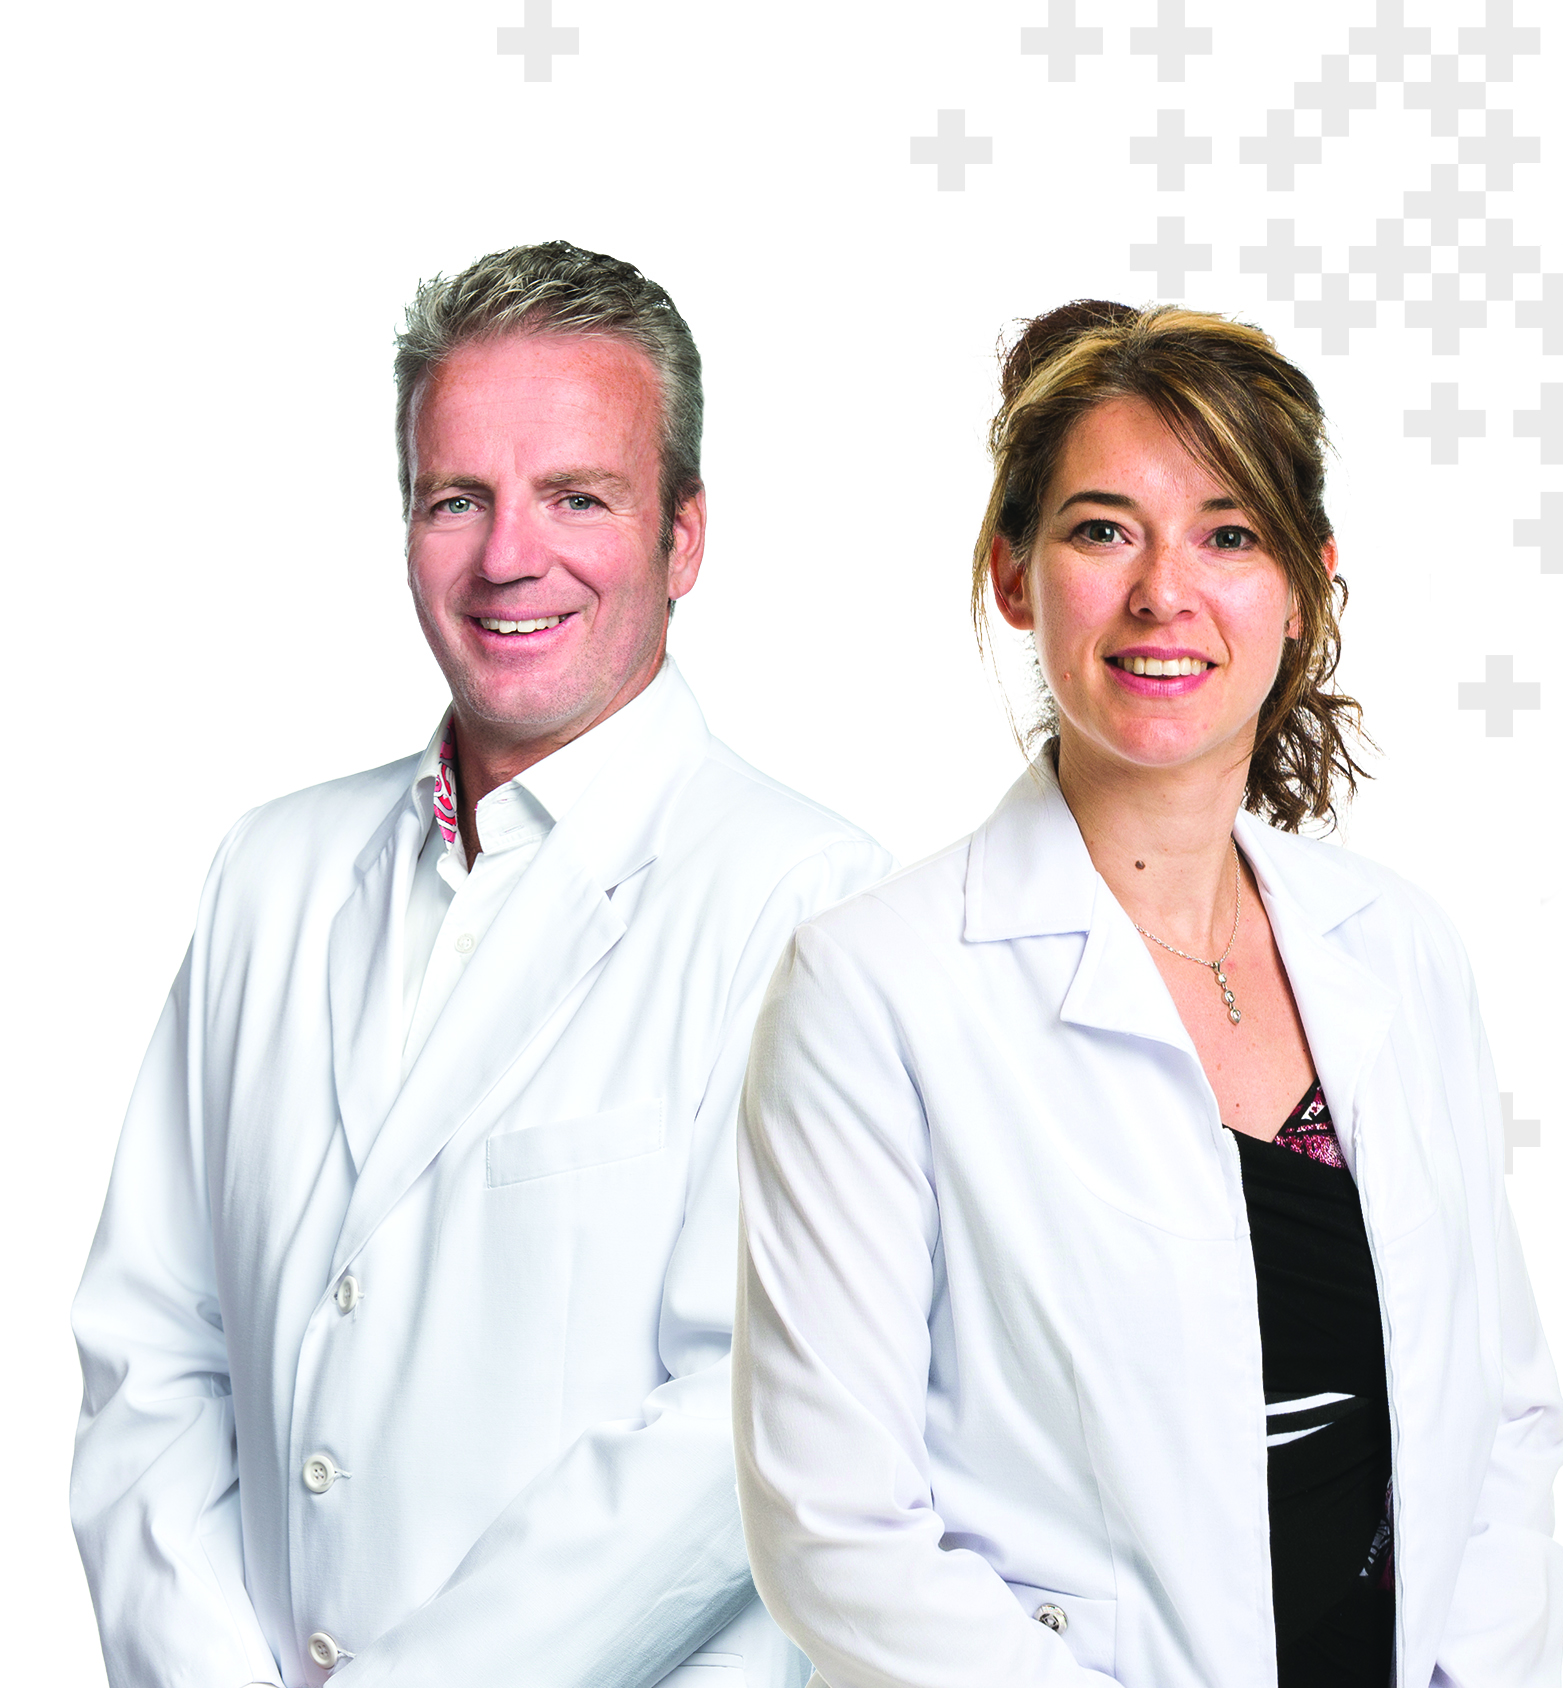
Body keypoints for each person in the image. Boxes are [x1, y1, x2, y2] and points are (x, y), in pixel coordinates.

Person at [71, 240, 890, 1688]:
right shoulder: (269, 874)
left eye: (577, 496)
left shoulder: (808, 905)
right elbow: (153, 1352)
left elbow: (737, 1428)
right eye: (458, 498)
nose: (509, 556)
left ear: (683, 536)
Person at [732, 301, 1563, 1687]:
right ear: (1014, 575)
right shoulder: (871, 991)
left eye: (1227, 536)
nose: (1163, 593)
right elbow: (837, 1531)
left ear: (1305, 584)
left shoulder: (1398, 949)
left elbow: (1504, 1419)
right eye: (1102, 530)